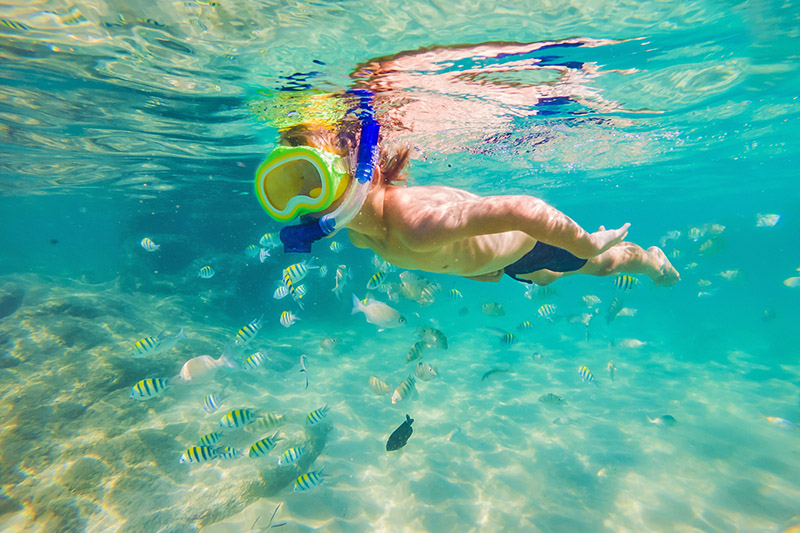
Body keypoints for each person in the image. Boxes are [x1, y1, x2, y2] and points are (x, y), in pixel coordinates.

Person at [253, 40, 680, 287]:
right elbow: (444, 255)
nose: (303, 206)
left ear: (369, 171)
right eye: (284, 190)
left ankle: (651, 261)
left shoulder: (414, 223)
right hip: (499, 262)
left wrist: (584, 243)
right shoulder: (362, 236)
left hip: (531, 241)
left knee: (602, 265)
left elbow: (524, 210)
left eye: (314, 182)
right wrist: (478, 271)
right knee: (544, 278)